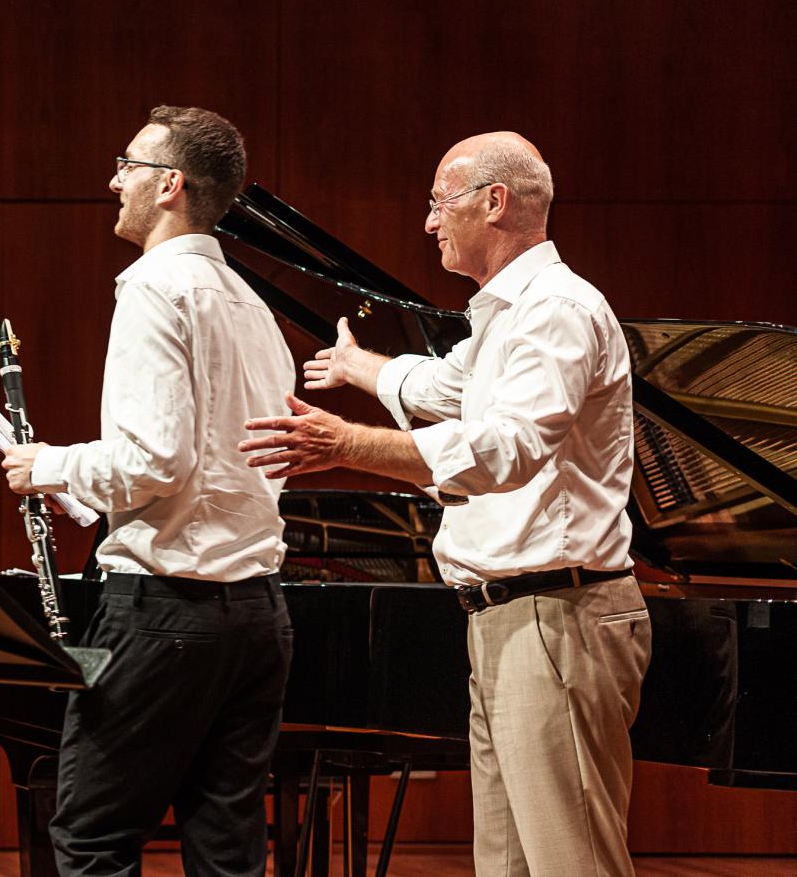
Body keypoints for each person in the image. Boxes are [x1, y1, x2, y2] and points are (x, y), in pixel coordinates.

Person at [239, 132, 651, 877]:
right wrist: (364, 367)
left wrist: (347, 445)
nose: (429, 221)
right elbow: (446, 386)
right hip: (506, 618)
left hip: (556, 615)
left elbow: (506, 449)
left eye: (438, 201)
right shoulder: (505, 315)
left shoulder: (555, 310)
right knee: (507, 864)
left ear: (494, 202)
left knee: (571, 863)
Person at [1, 106, 296, 876]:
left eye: (127, 165)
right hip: (258, 616)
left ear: (169, 184)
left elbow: (151, 464)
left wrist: (50, 466)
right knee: (227, 852)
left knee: (93, 841)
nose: (113, 180)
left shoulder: (155, 290)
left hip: (167, 610)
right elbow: (268, 459)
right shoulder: (252, 306)